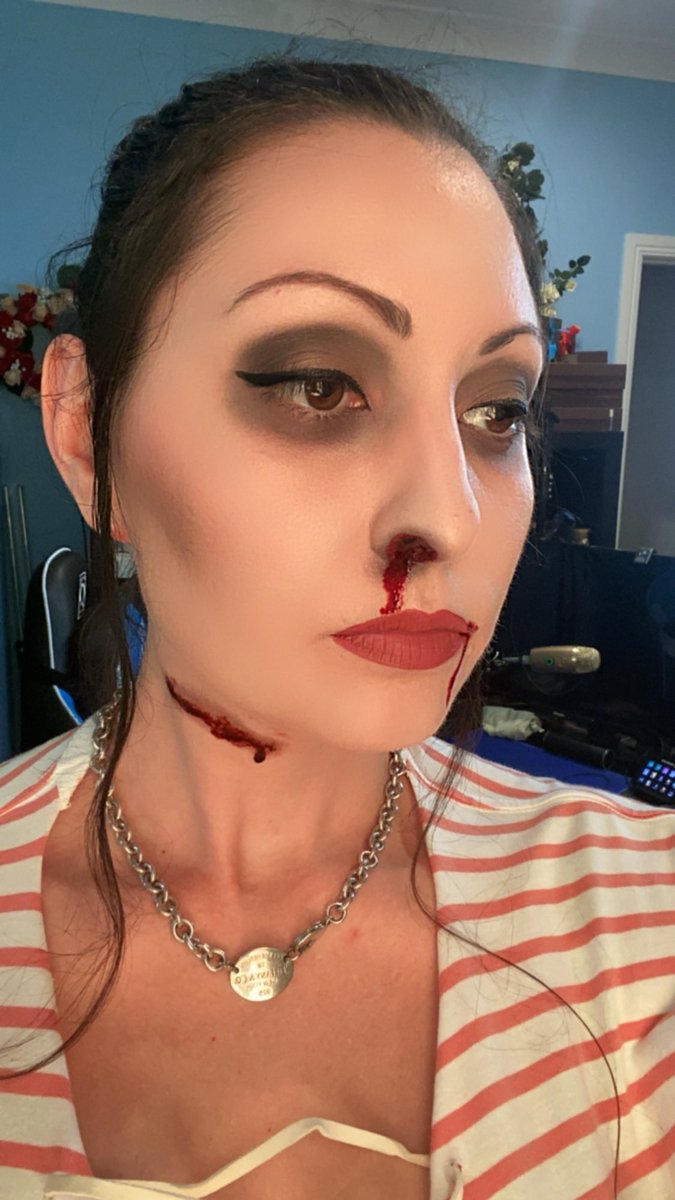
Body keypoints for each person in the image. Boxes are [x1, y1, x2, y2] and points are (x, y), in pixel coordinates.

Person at [0, 54, 673, 1200]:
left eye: (497, 411)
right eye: (320, 383)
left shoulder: (644, 917)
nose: (448, 519)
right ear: (83, 431)